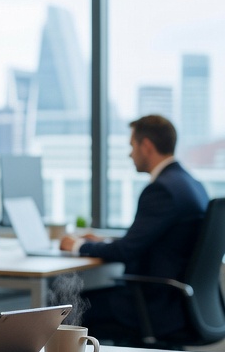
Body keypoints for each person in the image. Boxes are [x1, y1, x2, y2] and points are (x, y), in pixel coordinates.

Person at [59, 115, 208, 340]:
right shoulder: (191, 184)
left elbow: (126, 251)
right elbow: (149, 241)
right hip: (180, 304)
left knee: (65, 304)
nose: (130, 154)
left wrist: (78, 245)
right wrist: (101, 243)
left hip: (153, 306)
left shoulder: (162, 190)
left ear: (146, 145)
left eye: (132, 146)